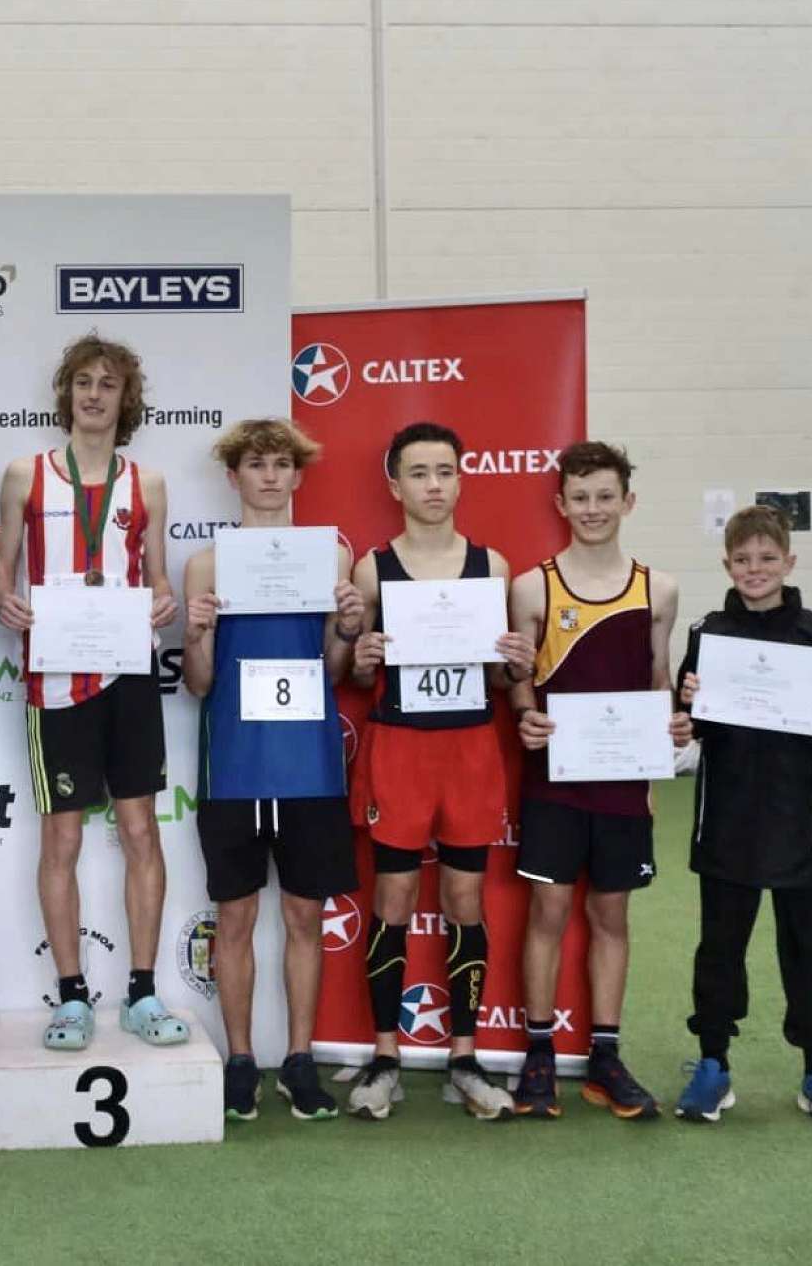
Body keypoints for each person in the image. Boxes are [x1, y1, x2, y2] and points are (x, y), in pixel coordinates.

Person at [0, 334, 185, 1051]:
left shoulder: (148, 484)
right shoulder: (25, 474)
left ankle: (142, 991)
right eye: (83, 383)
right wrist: (3, 598)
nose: (94, 395)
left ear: (125, 399)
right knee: (63, 837)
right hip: (57, 678)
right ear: (66, 393)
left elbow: (157, 578)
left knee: (140, 831)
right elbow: (1, 571)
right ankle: (71, 997)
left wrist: (162, 600)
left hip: (128, 671)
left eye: (108, 384)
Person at [342, 422, 536, 1122]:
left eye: (444, 472)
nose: (433, 485)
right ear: (395, 485)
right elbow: (356, 674)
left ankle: (464, 1057)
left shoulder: (492, 566)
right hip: (400, 747)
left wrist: (515, 662)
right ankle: (385, 1055)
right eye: (419, 473)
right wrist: (360, 658)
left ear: (460, 480)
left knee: (464, 899)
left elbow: (500, 675)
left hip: (469, 747)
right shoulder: (372, 570)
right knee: (392, 898)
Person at [671, 504, 812, 1129]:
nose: (755, 569)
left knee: (809, 952)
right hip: (728, 822)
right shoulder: (708, 634)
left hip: (804, 827)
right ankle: (713, 1063)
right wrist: (684, 707)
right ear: (727, 565)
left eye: (767, 558)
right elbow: (690, 719)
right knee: (719, 950)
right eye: (743, 560)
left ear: (789, 562)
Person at [180, 418, 364, 1119]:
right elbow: (199, 682)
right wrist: (197, 633)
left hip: (310, 766)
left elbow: (335, 669)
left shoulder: (331, 558)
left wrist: (347, 626)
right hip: (234, 765)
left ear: (297, 476)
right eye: (255, 465)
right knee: (234, 918)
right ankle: (239, 1059)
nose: (268, 476)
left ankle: (299, 1060)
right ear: (234, 477)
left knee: (304, 917)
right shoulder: (207, 565)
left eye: (281, 465)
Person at [507, 441, 686, 1120]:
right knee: (548, 911)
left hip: (623, 782)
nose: (592, 509)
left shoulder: (658, 589)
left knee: (611, 915)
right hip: (554, 780)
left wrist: (670, 730)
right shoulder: (533, 587)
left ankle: (605, 1056)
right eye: (580, 497)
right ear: (561, 504)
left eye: (605, 496)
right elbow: (520, 679)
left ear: (627, 502)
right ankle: (539, 1052)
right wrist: (523, 715)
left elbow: (658, 677)